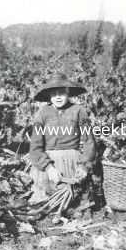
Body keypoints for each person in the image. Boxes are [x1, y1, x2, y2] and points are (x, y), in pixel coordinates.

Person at [29, 73, 96, 204]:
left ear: (68, 92)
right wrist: (48, 168)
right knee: (47, 202)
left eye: (62, 93)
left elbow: (89, 141)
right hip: (49, 163)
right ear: (49, 95)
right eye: (54, 94)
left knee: (74, 202)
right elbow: (35, 147)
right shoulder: (42, 114)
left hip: (72, 161)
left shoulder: (78, 111)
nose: (58, 97)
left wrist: (84, 166)